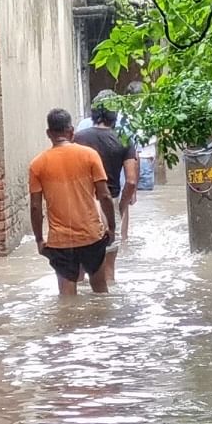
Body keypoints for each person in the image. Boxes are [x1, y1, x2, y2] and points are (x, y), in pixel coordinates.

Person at [30, 108, 116, 295]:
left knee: (67, 296)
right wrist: (111, 228)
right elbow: (105, 196)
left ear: (48, 133)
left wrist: (39, 239)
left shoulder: (37, 164)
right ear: (71, 131)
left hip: (60, 241)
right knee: (100, 290)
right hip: (92, 235)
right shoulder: (90, 155)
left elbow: (35, 207)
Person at [73, 92, 139, 283]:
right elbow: (131, 181)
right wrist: (121, 207)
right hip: (109, 203)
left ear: (93, 113)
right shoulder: (123, 140)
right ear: (115, 114)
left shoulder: (77, 138)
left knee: (78, 273)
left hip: (81, 206)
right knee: (108, 272)